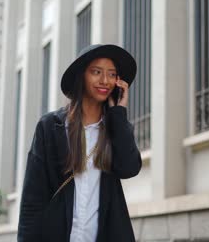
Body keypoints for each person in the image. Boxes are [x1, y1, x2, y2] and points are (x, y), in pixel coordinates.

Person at [17, 44, 142, 242]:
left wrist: (119, 114)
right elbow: (33, 198)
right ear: (81, 75)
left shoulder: (116, 129)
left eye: (112, 74)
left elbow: (129, 169)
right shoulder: (51, 127)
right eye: (96, 72)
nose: (104, 80)